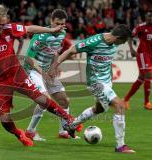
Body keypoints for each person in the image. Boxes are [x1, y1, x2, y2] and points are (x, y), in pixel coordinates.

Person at [0, 4, 78, 147]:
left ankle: (68, 119)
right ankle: (20, 134)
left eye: (4, 24)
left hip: (16, 73)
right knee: (4, 119)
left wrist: (52, 29)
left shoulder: (7, 28)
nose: (3, 28)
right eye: (0, 25)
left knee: (41, 99)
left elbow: (30, 29)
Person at [50, 24, 135, 153]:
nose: (123, 44)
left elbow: (106, 61)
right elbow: (71, 50)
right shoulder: (94, 42)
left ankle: (71, 126)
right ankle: (120, 145)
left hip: (107, 82)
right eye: (123, 41)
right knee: (120, 105)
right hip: (96, 83)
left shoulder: (113, 43)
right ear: (118, 38)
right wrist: (54, 66)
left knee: (99, 109)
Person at [24, 9, 81, 141]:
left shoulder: (62, 34)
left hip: (47, 70)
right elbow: (28, 59)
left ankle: (64, 131)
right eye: (57, 23)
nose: (59, 27)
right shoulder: (41, 36)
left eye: (62, 24)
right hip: (33, 70)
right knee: (45, 101)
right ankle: (30, 131)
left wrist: (54, 67)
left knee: (64, 101)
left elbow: (54, 53)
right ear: (51, 21)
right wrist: (43, 73)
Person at [124, 9, 152, 110]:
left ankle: (125, 100)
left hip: (150, 55)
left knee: (141, 78)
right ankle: (147, 103)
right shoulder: (140, 27)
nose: (151, 18)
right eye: (149, 16)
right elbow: (130, 36)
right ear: (145, 17)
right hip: (142, 54)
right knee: (149, 75)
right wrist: (131, 49)